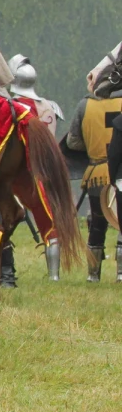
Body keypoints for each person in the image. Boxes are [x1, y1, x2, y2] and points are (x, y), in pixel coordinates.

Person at [66, 84, 122, 282]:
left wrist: (92, 146)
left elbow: (72, 142)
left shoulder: (85, 105)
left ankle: (93, 275)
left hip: (97, 173)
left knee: (97, 224)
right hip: (120, 172)